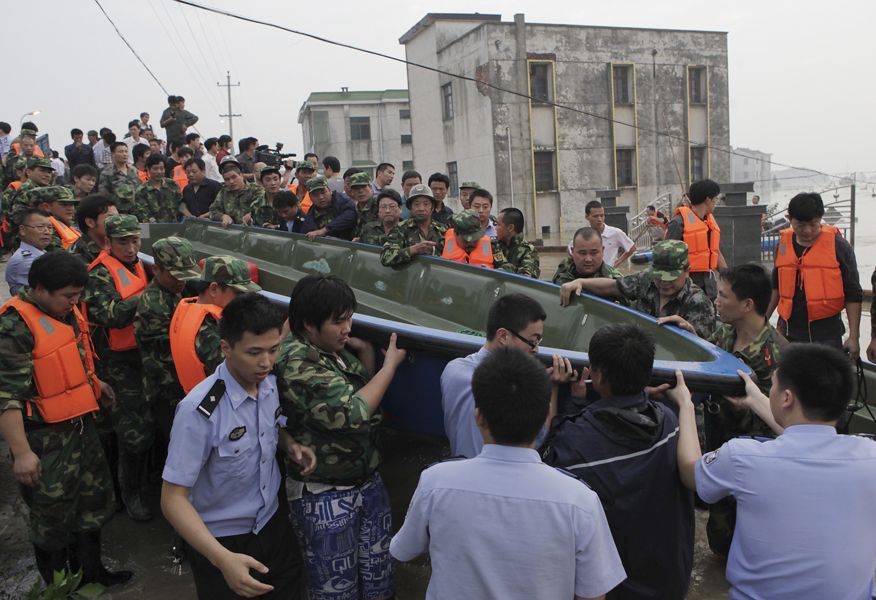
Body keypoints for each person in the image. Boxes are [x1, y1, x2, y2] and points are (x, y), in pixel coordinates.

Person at [392, 346, 626, 600]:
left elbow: (407, 550)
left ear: (478, 417)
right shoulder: (580, 501)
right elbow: (593, 594)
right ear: (542, 419)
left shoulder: (435, 483)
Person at [671, 343, 876, 600]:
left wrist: (685, 406)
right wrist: (757, 401)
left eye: (775, 386)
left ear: (787, 398)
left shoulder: (744, 457)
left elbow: (691, 473)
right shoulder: (869, 456)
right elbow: (808, 438)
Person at [161, 292, 314, 599]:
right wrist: (222, 559)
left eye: (274, 350)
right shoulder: (199, 411)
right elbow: (172, 499)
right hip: (222, 542)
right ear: (226, 348)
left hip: (272, 525)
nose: (266, 362)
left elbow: (266, 429)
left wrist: (289, 445)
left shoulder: (267, 384)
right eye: (254, 352)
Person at [0, 251, 132, 588]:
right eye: (68, 296)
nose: (74, 302)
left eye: (77, 295)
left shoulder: (64, 311)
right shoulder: (14, 325)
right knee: (51, 516)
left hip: (81, 425)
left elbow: (68, 356)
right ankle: (60, 589)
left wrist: (95, 383)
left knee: (92, 503)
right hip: (45, 439)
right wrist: (22, 453)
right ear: (40, 289)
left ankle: (92, 573)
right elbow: (6, 396)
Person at [276, 274, 407, 600]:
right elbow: (351, 412)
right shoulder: (297, 363)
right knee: (336, 588)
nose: (348, 327)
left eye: (349, 318)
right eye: (339, 321)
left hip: (364, 480)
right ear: (308, 324)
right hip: (325, 493)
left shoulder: (330, 347)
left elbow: (357, 386)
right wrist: (389, 367)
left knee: (378, 580)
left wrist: (364, 353)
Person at [542, 324, 694, 600]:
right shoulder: (671, 423)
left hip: (616, 588)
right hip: (669, 580)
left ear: (597, 375)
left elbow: (547, 456)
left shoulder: (576, 443)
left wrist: (555, 389)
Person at [660, 264, 786, 556]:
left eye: (723, 296)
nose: (715, 301)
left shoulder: (778, 354)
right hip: (722, 453)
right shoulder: (724, 335)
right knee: (719, 541)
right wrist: (690, 337)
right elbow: (708, 361)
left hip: (759, 466)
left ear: (747, 305)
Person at [82, 214, 152, 522]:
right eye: (123, 242)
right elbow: (111, 315)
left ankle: (135, 484)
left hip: (139, 356)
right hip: (114, 362)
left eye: (135, 240)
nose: (131, 247)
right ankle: (127, 493)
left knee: (141, 426)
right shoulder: (98, 274)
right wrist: (147, 296)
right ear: (109, 242)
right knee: (129, 431)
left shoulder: (138, 264)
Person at [441, 293, 553, 458]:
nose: (536, 349)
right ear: (503, 336)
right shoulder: (509, 391)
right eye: (533, 341)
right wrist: (549, 388)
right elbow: (533, 443)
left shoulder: (452, 370)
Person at [768, 192, 862, 358]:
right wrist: (762, 322)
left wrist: (854, 337)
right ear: (789, 218)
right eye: (800, 225)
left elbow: (853, 293)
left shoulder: (839, 246)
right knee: (790, 380)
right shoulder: (782, 246)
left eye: (814, 224)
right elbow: (776, 288)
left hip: (826, 333)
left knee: (825, 381)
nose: (808, 230)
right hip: (788, 330)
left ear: (820, 219)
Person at [560, 240, 716, 338]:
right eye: (658, 276)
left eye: (670, 278)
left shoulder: (699, 303)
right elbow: (614, 286)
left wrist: (689, 332)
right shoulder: (647, 279)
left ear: (687, 271)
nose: (663, 283)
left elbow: (705, 354)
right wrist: (581, 282)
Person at [133, 237, 201, 442]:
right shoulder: (153, 304)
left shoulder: (176, 290)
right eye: (175, 276)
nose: (181, 281)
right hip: (167, 388)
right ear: (156, 270)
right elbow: (170, 351)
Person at [170, 256, 261, 394]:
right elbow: (244, 375)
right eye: (239, 294)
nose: (244, 301)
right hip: (214, 408)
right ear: (213, 289)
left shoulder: (189, 307)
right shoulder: (207, 332)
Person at [665, 179, 727, 299]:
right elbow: (667, 257)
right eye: (715, 199)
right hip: (686, 290)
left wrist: (729, 278)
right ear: (708, 199)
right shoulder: (678, 223)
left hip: (709, 288)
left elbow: (714, 251)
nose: (716, 202)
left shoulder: (708, 222)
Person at [380, 184, 447, 267]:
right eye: (416, 204)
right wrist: (414, 249)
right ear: (410, 207)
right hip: (410, 278)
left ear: (432, 207)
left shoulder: (443, 229)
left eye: (426, 204)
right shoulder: (400, 228)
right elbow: (385, 257)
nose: (421, 208)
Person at [6, 208, 53, 295]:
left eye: (50, 227)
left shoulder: (41, 253)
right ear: (23, 230)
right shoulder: (26, 260)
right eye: (40, 227)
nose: (47, 232)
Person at [553, 227, 623, 284]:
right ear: (572, 251)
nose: (588, 259)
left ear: (602, 251)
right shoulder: (565, 267)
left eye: (594, 253)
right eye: (582, 253)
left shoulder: (616, 281)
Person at [440, 209, 507, 269]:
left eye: (475, 239)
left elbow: (507, 267)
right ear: (455, 234)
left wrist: (499, 271)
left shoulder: (491, 246)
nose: (471, 243)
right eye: (466, 240)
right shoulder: (443, 245)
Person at [209, 158, 264, 226]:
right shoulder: (224, 192)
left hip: (253, 232)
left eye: (234, 177)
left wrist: (252, 214)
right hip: (231, 232)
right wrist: (223, 216)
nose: (231, 182)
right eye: (227, 179)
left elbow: (264, 208)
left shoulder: (256, 190)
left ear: (241, 175)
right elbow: (213, 210)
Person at [300, 176, 357, 240]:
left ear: (330, 190)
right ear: (310, 198)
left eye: (323, 192)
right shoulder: (311, 213)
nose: (321, 197)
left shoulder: (343, 201)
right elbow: (305, 233)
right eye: (315, 195)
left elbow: (350, 216)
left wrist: (324, 230)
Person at [585, 200, 637, 268]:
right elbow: (571, 250)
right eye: (595, 216)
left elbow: (632, 247)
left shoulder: (615, 233)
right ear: (587, 217)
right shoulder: (584, 235)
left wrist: (618, 262)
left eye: (602, 215)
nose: (599, 219)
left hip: (609, 274)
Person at [70, 195, 119, 265]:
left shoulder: (120, 249)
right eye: (110, 218)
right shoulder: (77, 256)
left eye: (118, 218)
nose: (118, 223)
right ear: (90, 222)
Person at [96, 142, 141, 217]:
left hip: (135, 212)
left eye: (126, 151)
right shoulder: (106, 173)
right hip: (117, 212)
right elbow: (104, 194)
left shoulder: (133, 170)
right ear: (113, 154)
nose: (124, 154)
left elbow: (139, 190)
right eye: (121, 152)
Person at [135, 154, 181, 223]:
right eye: (155, 169)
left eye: (162, 169)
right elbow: (143, 214)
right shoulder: (142, 190)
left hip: (175, 227)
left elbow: (180, 203)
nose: (159, 172)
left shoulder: (172, 184)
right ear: (148, 169)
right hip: (153, 229)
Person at [495, 207, 540, 278]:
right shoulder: (495, 245)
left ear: (510, 228)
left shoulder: (528, 251)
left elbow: (526, 279)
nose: (495, 228)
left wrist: (504, 269)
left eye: (498, 224)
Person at [37, 185, 81, 249]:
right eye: (64, 204)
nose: (70, 208)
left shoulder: (68, 224)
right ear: (46, 207)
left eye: (72, 204)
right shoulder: (46, 230)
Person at [349, 172, 378, 236]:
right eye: (356, 188)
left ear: (370, 187)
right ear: (352, 192)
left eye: (363, 186)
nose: (360, 191)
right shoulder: (354, 209)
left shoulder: (379, 205)